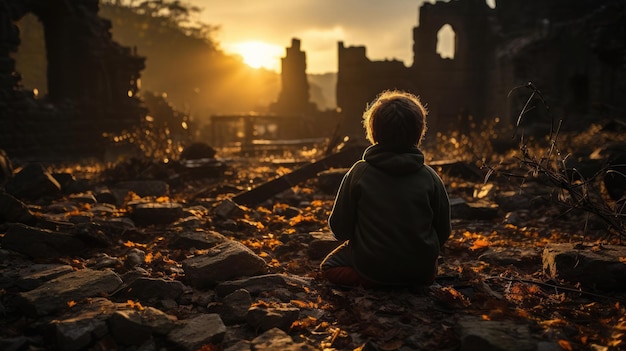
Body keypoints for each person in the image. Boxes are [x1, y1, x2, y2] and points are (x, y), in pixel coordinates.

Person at [320, 89, 451, 288]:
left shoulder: (359, 172)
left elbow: (340, 229)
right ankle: (408, 279)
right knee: (424, 267)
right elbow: (443, 231)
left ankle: (370, 280)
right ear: (419, 133)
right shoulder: (430, 177)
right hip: (421, 272)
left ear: (373, 132)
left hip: (371, 266)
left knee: (328, 266)